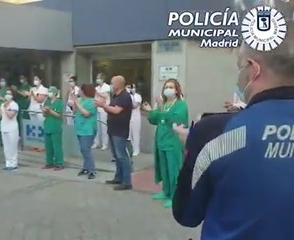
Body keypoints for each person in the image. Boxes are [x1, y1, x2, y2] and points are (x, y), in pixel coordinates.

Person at [172, 18, 294, 240]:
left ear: (254, 69)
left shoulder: (213, 133)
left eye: (241, 67)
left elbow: (186, 214)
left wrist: (194, 150)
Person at [143, 79, 188, 208]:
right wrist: (151, 111)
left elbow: (175, 119)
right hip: (161, 141)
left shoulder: (181, 104)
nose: (168, 89)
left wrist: (161, 110)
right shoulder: (163, 103)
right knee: (164, 169)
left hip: (173, 141)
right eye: (166, 87)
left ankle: (176, 196)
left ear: (176, 90)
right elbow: (154, 119)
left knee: (174, 170)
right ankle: (166, 191)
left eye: (171, 87)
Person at [96, 75, 133, 191]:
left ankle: (127, 181)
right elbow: (111, 109)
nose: (111, 85)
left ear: (119, 84)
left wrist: (103, 105)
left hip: (120, 130)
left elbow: (117, 110)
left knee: (122, 156)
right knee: (116, 156)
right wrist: (104, 105)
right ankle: (118, 177)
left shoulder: (125, 96)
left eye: (112, 83)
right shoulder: (115, 96)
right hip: (112, 129)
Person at [72, 84, 98, 179]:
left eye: (80, 90)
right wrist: (75, 102)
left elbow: (86, 113)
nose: (79, 91)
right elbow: (74, 111)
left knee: (86, 149)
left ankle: (92, 170)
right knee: (83, 150)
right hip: (80, 128)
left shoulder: (92, 102)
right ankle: (86, 167)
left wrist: (77, 102)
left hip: (88, 130)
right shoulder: (80, 100)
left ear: (84, 91)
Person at [42, 86, 64, 170]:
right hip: (47, 125)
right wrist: (44, 111)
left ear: (55, 93)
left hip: (56, 126)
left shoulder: (59, 103)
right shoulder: (47, 101)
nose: (49, 93)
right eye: (49, 91)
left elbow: (59, 115)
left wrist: (50, 111)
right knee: (48, 146)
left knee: (57, 146)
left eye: (51, 91)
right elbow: (44, 114)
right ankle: (49, 162)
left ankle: (59, 163)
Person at [0, 93, 19, 171]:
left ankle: (14, 163)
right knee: (6, 147)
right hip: (4, 128)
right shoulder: (3, 104)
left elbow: (10, 116)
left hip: (12, 128)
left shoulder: (14, 105)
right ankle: (8, 163)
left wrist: (6, 108)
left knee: (12, 146)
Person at [92, 73, 111, 150]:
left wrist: (98, 93)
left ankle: (105, 144)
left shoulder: (107, 87)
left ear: (103, 79)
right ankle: (96, 143)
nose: (97, 80)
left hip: (104, 109)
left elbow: (105, 96)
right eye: (97, 78)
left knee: (104, 127)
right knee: (97, 127)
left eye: (99, 78)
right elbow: (95, 97)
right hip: (97, 108)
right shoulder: (96, 88)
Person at [126, 84, 142, 156]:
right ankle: (130, 149)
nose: (131, 89)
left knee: (135, 134)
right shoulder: (126, 96)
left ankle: (136, 150)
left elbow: (134, 106)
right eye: (129, 87)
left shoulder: (138, 96)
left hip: (136, 117)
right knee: (128, 135)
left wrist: (132, 96)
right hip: (128, 117)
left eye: (132, 87)